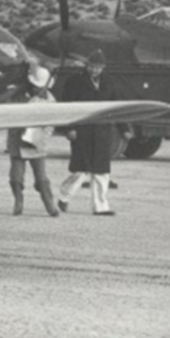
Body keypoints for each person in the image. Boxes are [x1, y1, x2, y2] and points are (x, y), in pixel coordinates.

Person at [57, 49, 132, 215]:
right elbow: (66, 107)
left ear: (103, 67)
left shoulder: (110, 82)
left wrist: (124, 129)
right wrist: (70, 128)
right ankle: (64, 196)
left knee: (101, 171)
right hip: (81, 132)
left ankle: (100, 207)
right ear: (86, 65)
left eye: (98, 67)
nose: (94, 70)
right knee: (81, 171)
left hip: (102, 133)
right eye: (91, 66)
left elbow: (115, 108)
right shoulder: (74, 81)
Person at [6, 65, 60, 217]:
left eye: (39, 86)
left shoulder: (50, 100)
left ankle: (50, 205)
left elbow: (51, 124)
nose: (36, 89)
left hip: (37, 143)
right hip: (18, 140)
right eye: (34, 85)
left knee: (41, 179)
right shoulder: (18, 95)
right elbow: (9, 114)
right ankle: (18, 201)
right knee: (16, 178)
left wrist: (44, 138)